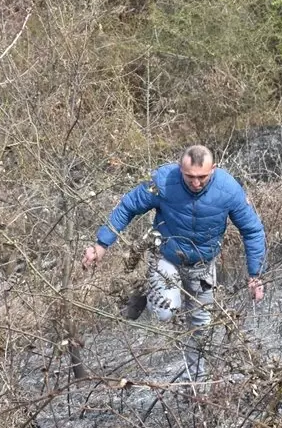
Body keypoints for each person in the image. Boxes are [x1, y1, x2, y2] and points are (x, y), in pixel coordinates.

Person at [82, 145, 267, 381]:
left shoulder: (229, 189)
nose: (196, 183)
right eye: (190, 176)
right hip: (166, 257)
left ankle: (198, 383)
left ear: (214, 169)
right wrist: (101, 245)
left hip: (203, 265)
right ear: (180, 169)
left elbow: (252, 231)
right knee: (166, 311)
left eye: (202, 177)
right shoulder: (163, 182)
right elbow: (128, 206)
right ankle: (145, 292)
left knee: (201, 328)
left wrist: (255, 275)